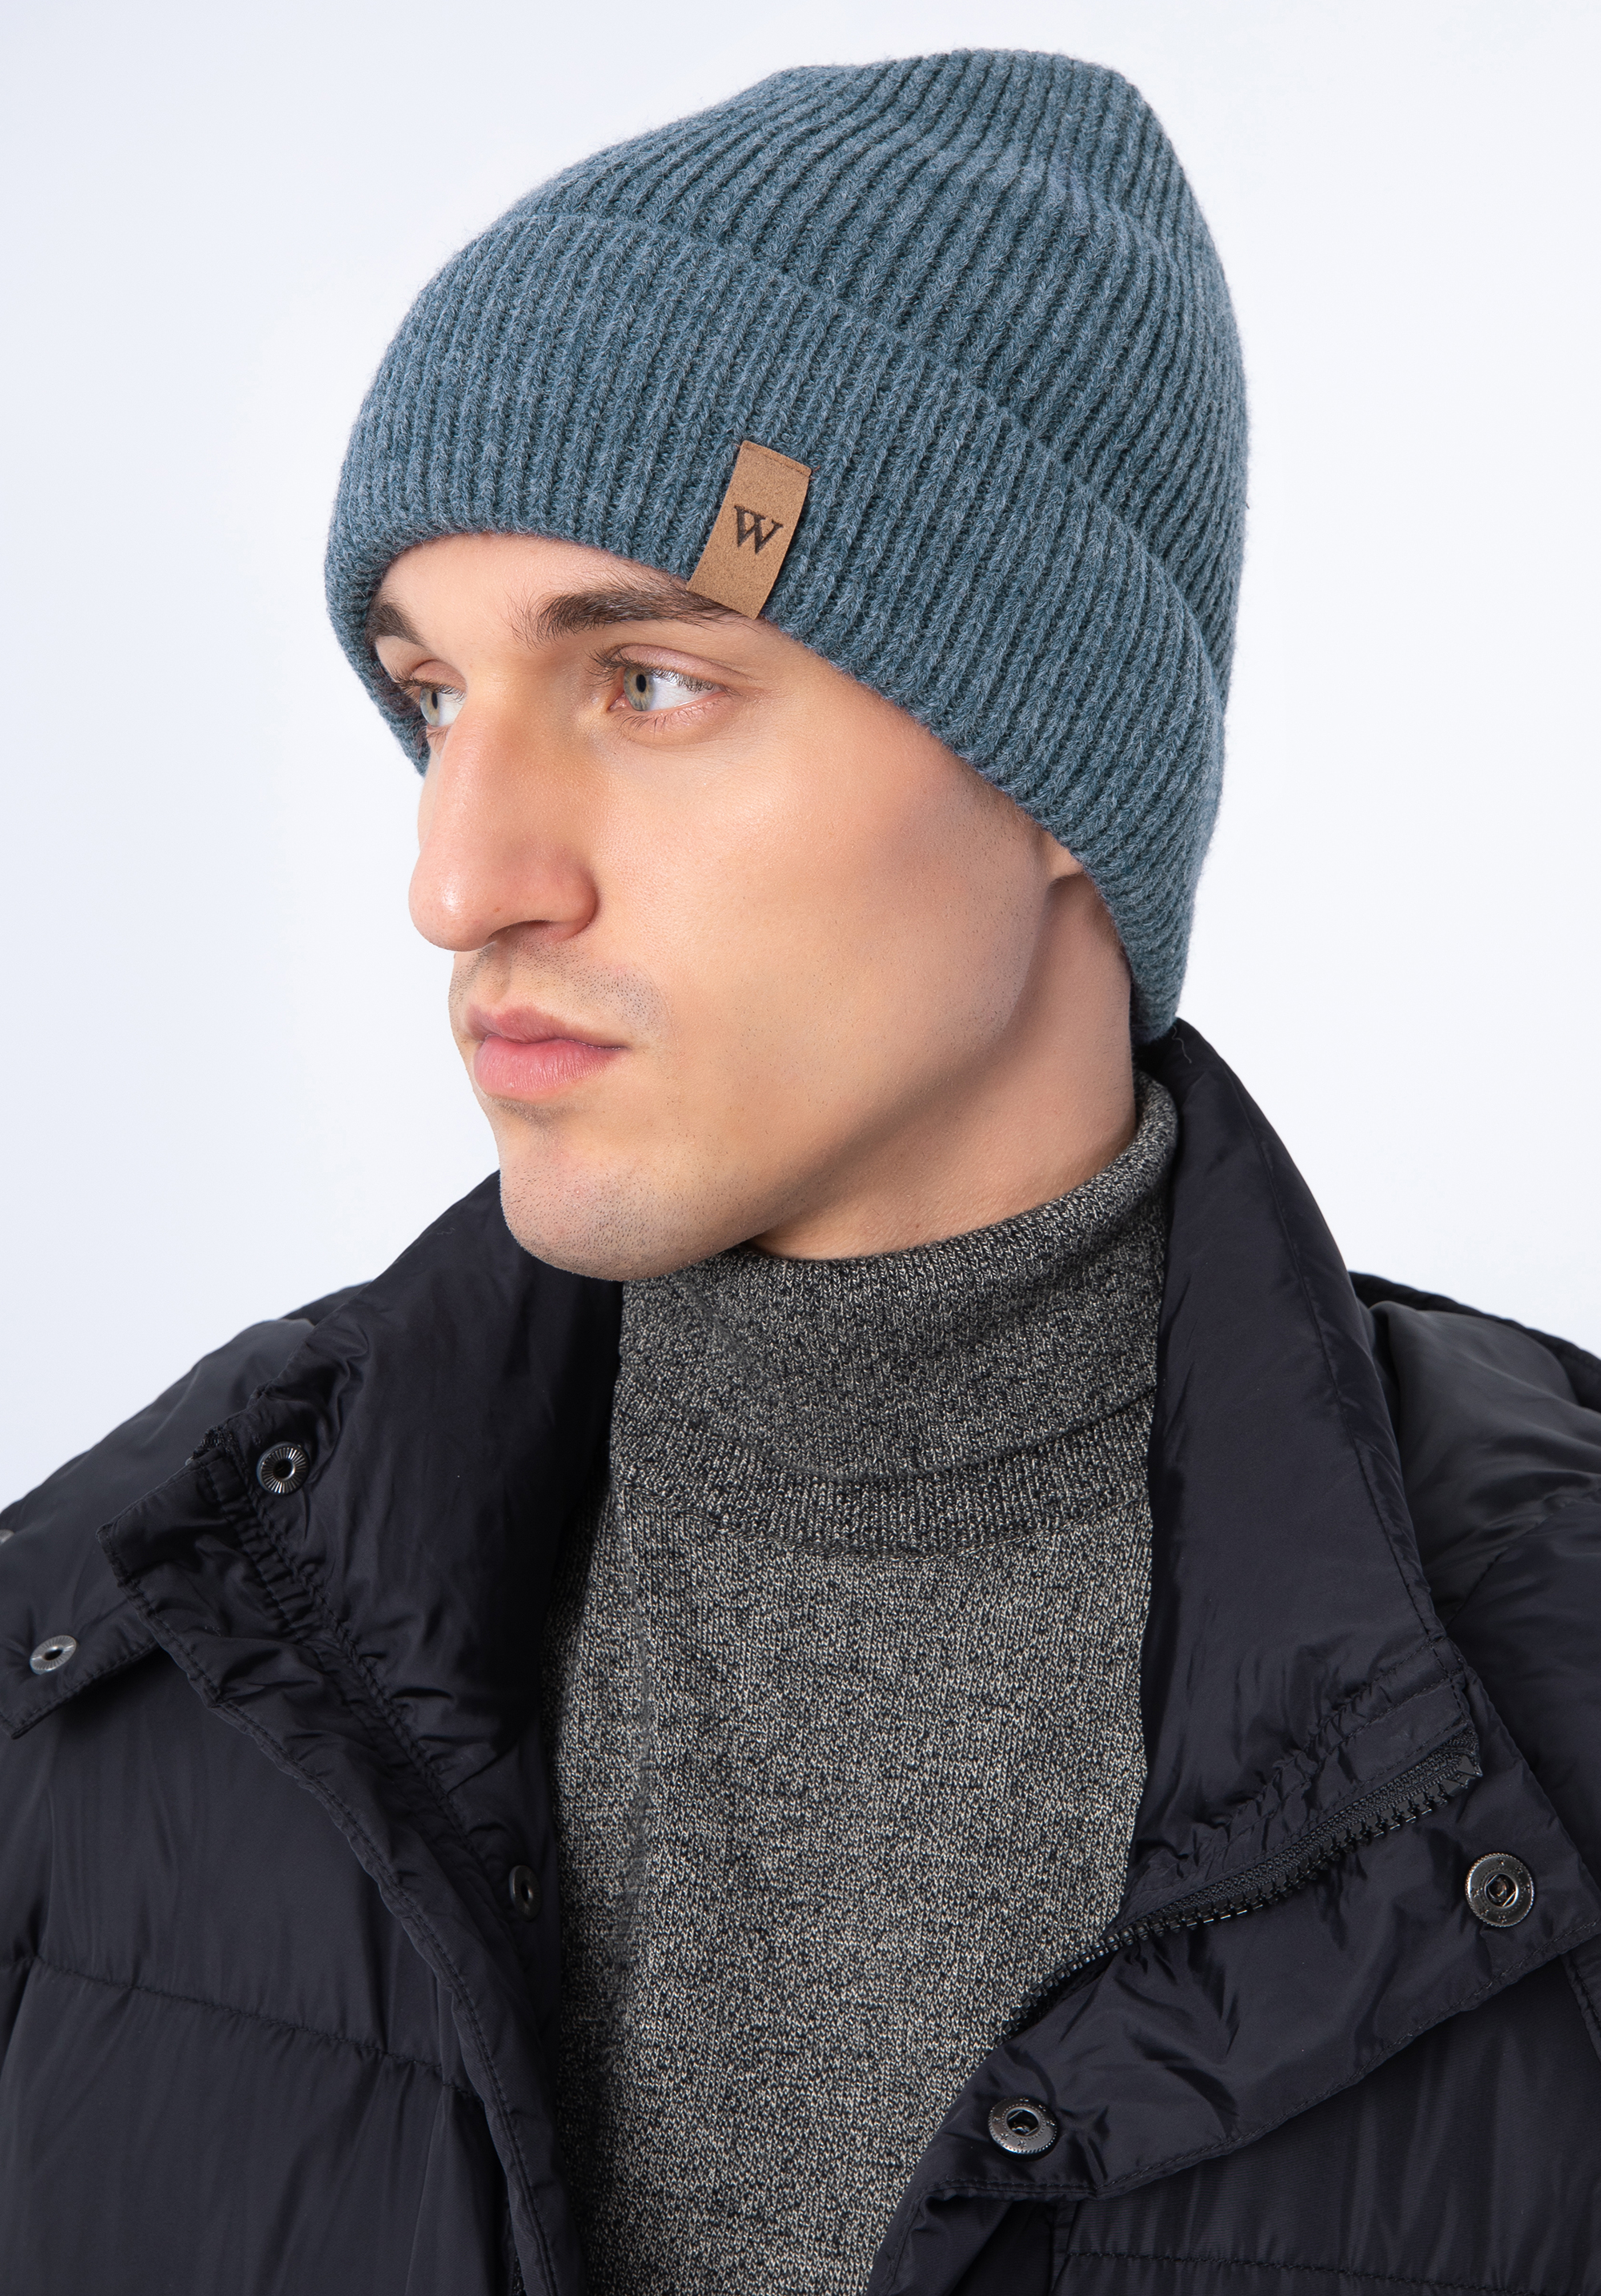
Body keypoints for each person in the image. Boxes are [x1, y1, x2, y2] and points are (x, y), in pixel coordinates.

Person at [2, 47, 1598, 2296]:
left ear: (1060, 759)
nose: (458, 879)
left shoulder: (1560, 1693)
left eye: (647, 681)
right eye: (432, 698)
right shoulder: (104, 1650)